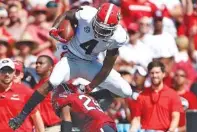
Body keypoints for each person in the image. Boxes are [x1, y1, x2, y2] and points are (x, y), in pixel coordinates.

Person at [9, 2, 133, 130]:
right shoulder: (86, 14)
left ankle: (87, 99)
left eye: (105, 30)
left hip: (90, 63)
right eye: (99, 26)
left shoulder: (119, 37)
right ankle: (21, 116)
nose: (100, 32)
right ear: (95, 18)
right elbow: (67, 14)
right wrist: (54, 28)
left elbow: (106, 68)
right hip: (71, 59)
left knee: (126, 91)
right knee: (52, 82)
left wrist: (91, 87)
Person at [130, 60, 183, 132]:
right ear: (149, 74)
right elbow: (136, 119)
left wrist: (170, 130)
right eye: (152, 73)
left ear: (163, 74)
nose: (154, 75)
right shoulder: (142, 95)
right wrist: (132, 130)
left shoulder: (172, 94)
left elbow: (175, 117)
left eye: (157, 73)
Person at [0, 58, 45, 132]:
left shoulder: (26, 92)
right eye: (3, 71)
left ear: (14, 72)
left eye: (9, 71)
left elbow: (36, 117)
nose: (7, 74)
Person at [52, 83, 117, 132]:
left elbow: (66, 125)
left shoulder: (66, 101)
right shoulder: (87, 97)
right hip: (109, 122)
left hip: (97, 126)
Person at [34, 55, 61, 131]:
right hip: (42, 128)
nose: (37, 65)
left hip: (56, 127)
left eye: (41, 63)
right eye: (36, 63)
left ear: (50, 67)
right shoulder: (37, 86)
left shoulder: (56, 84)